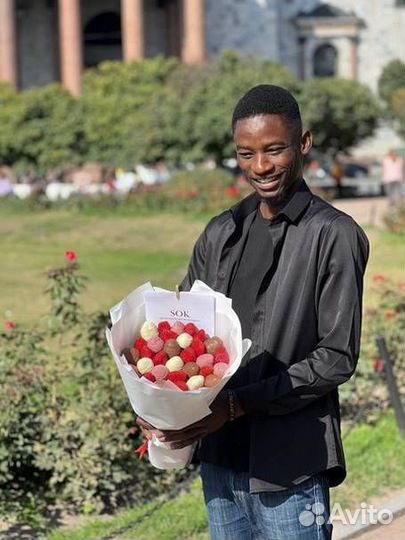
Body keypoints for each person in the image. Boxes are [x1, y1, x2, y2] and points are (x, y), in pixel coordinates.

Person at [137, 85, 369, 540]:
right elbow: (182, 334)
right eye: (246, 154)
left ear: (303, 143)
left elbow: (337, 356)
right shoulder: (221, 232)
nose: (259, 167)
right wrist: (157, 401)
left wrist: (239, 404)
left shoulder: (334, 234)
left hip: (290, 468)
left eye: (274, 150)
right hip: (221, 462)